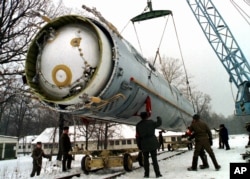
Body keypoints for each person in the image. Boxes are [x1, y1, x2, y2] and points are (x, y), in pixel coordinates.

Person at [136, 112, 162, 178]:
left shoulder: (138, 125)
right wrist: (159, 118)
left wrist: (139, 146)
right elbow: (159, 123)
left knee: (145, 160)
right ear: (147, 116)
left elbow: (138, 137)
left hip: (144, 143)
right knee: (154, 159)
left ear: (141, 117)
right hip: (152, 142)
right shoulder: (151, 122)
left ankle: (146, 174)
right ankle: (157, 174)